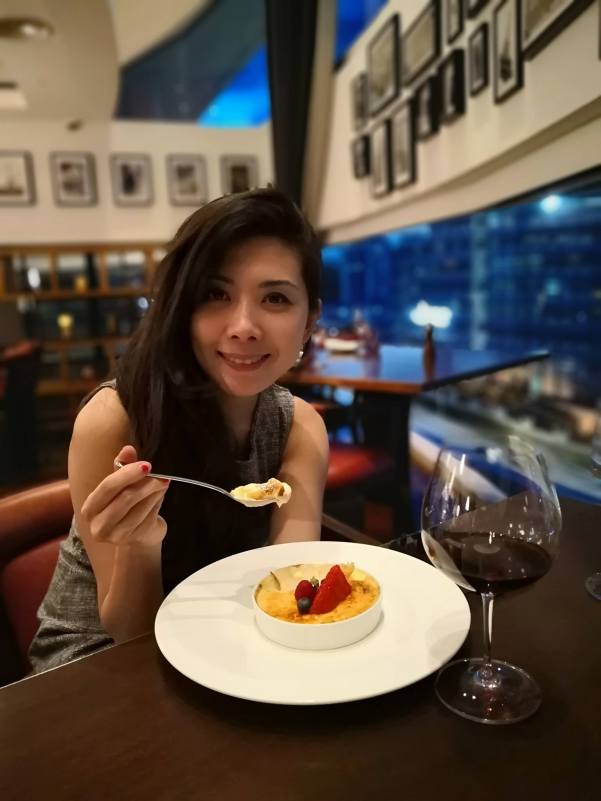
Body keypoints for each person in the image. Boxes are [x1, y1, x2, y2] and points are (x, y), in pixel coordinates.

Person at [28, 188, 329, 672]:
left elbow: (291, 589)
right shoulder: (115, 420)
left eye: (275, 298)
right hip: (96, 666)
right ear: (182, 309)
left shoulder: (300, 427)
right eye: (216, 294)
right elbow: (129, 632)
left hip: (234, 645)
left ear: (309, 320)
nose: (244, 326)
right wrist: (140, 544)